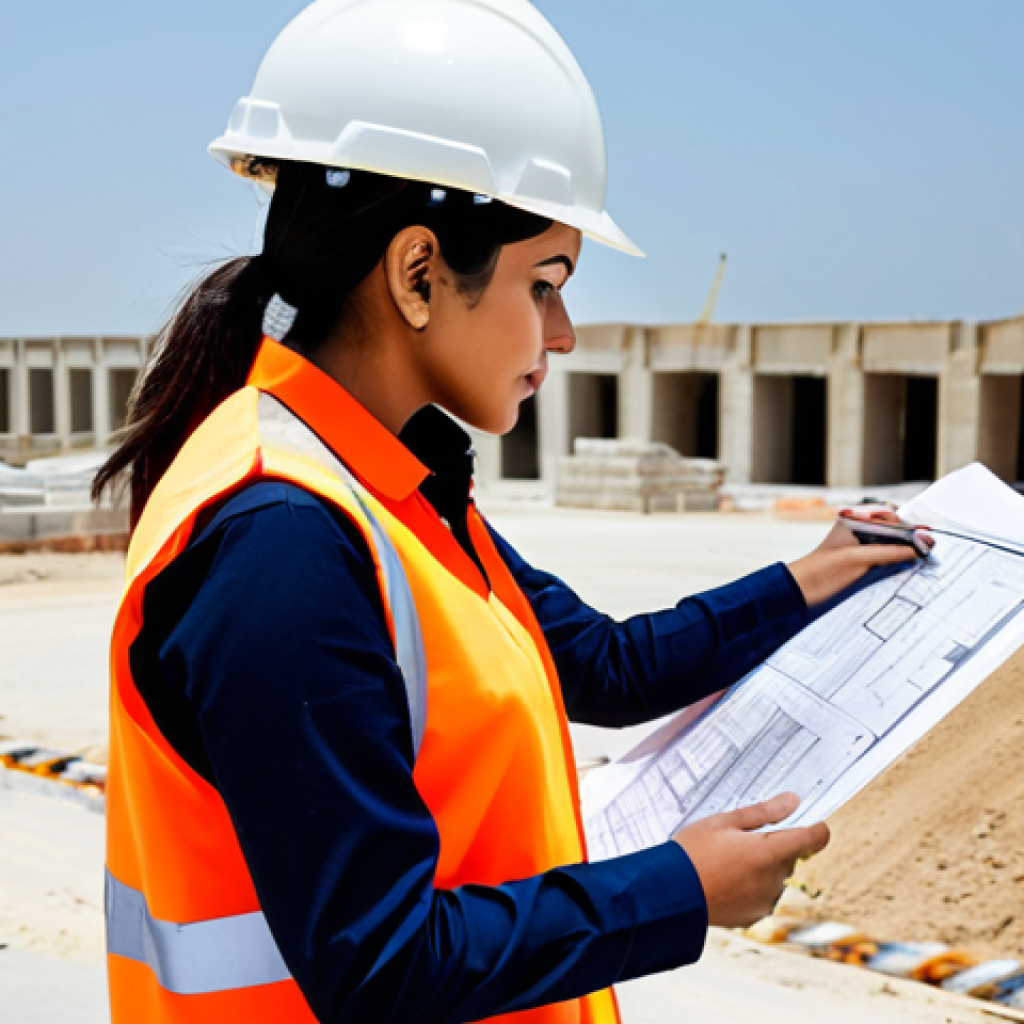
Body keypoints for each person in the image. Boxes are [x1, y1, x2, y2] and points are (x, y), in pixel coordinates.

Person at [95, 3, 927, 1022]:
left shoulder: (392, 497)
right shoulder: (282, 543)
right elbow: (382, 961)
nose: (565, 332)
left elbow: (608, 664)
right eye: (546, 282)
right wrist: (677, 891)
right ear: (417, 273)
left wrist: (816, 573)